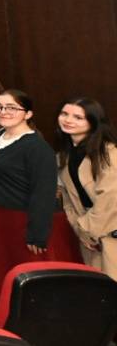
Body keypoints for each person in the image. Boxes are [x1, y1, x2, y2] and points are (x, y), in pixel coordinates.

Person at [0, 88, 78, 321]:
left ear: (28, 113)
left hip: (23, 221)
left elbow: (43, 193)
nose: (4, 111)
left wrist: (37, 234)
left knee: (26, 280)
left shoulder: (37, 147)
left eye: (12, 107)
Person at [56, 98, 117, 278]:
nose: (68, 120)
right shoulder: (64, 155)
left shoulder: (109, 152)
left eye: (78, 117)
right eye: (64, 114)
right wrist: (79, 227)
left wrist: (88, 229)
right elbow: (67, 198)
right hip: (88, 234)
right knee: (98, 286)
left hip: (109, 230)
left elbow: (110, 197)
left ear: (93, 121)